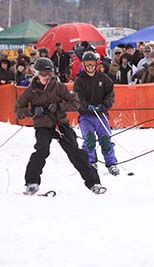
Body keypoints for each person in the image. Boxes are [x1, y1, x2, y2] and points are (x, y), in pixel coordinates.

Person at [14, 57, 106, 195]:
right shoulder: (30, 91)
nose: (47, 77)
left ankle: (94, 183)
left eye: (50, 73)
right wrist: (32, 111)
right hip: (43, 125)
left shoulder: (58, 87)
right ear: (37, 74)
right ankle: (31, 182)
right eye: (44, 74)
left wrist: (58, 106)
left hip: (60, 124)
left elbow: (75, 103)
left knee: (75, 152)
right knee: (41, 150)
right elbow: (18, 110)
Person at [73, 52, 120, 176]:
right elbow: (78, 98)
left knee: (105, 139)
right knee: (89, 139)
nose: (90, 66)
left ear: (96, 64)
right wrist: (86, 106)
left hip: (101, 114)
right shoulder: (79, 80)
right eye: (87, 64)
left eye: (92, 64)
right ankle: (91, 162)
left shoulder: (103, 79)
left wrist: (104, 105)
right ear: (83, 65)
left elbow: (110, 95)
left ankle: (111, 163)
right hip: (86, 116)